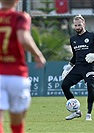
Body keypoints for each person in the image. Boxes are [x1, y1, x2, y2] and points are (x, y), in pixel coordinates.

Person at [0, 0, 46, 133]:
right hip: (16, 75)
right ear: (17, 1)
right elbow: (23, 37)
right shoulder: (20, 17)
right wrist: (38, 55)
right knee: (17, 121)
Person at [61, 14, 94, 121]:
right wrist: (68, 67)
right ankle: (76, 111)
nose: (77, 27)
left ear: (84, 24)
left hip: (90, 67)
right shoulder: (73, 39)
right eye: (75, 25)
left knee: (90, 86)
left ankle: (88, 114)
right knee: (64, 85)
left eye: (79, 25)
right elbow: (75, 56)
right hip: (78, 67)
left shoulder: (92, 36)